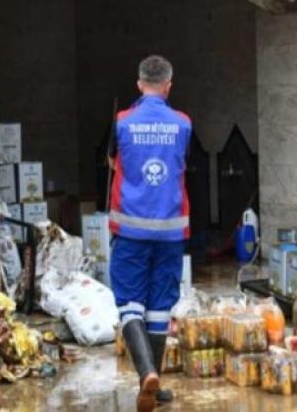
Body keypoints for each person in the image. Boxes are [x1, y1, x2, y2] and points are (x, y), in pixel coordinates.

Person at [108, 55, 191, 412]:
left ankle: (146, 376)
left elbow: (114, 161)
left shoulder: (123, 122)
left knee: (129, 303)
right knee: (160, 307)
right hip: (171, 231)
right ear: (168, 86)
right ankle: (154, 383)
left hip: (130, 229)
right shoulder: (183, 123)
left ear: (139, 84)